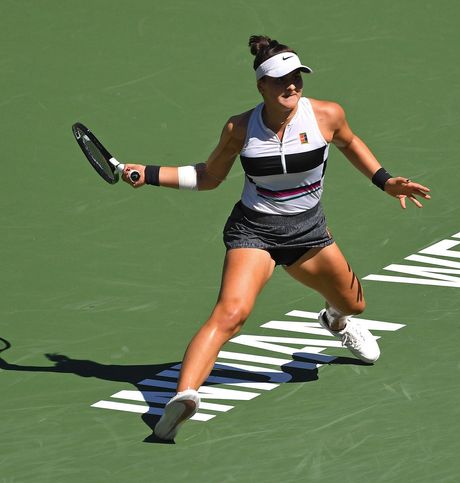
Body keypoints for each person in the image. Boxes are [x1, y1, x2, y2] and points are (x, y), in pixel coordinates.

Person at [121, 35, 431, 441]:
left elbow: (350, 143)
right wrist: (148, 173)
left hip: (308, 232)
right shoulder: (239, 128)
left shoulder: (326, 115)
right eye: (281, 79)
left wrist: (385, 180)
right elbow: (209, 176)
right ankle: (183, 398)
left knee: (355, 303)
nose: (292, 86)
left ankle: (334, 320)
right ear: (261, 86)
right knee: (230, 313)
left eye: (297, 78)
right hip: (255, 231)